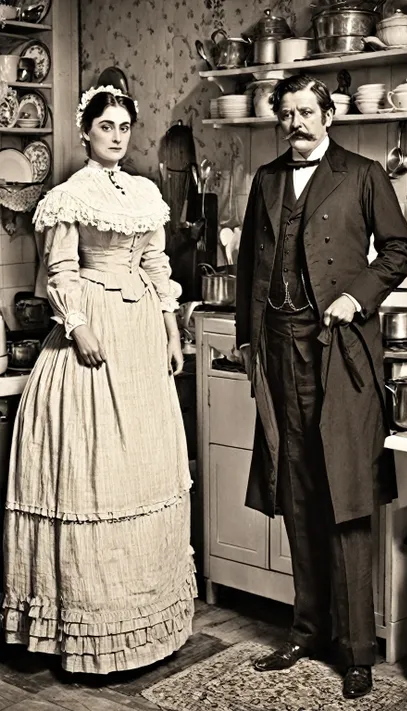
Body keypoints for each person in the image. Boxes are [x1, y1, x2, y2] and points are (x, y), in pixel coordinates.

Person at [236, 74, 407, 700]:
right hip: (279, 351)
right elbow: (247, 270)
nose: (297, 123)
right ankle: (307, 628)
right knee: (298, 487)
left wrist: (355, 297)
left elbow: (400, 249)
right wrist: (245, 340)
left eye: (307, 112)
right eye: (286, 114)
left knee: (345, 494)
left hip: (338, 352)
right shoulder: (263, 180)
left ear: (329, 116)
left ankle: (358, 651)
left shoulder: (364, 173)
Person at [2, 86, 196, 674]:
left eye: (124, 126)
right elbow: (59, 270)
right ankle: (86, 620)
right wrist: (79, 328)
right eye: (105, 126)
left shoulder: (144, 193)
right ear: (84, 133)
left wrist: (170, 330)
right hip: (92, 333)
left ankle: (146, 616)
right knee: (97, 473)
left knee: (144, 467)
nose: (117, 135)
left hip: (141, 335)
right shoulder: (68, 196)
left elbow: (156, 266)